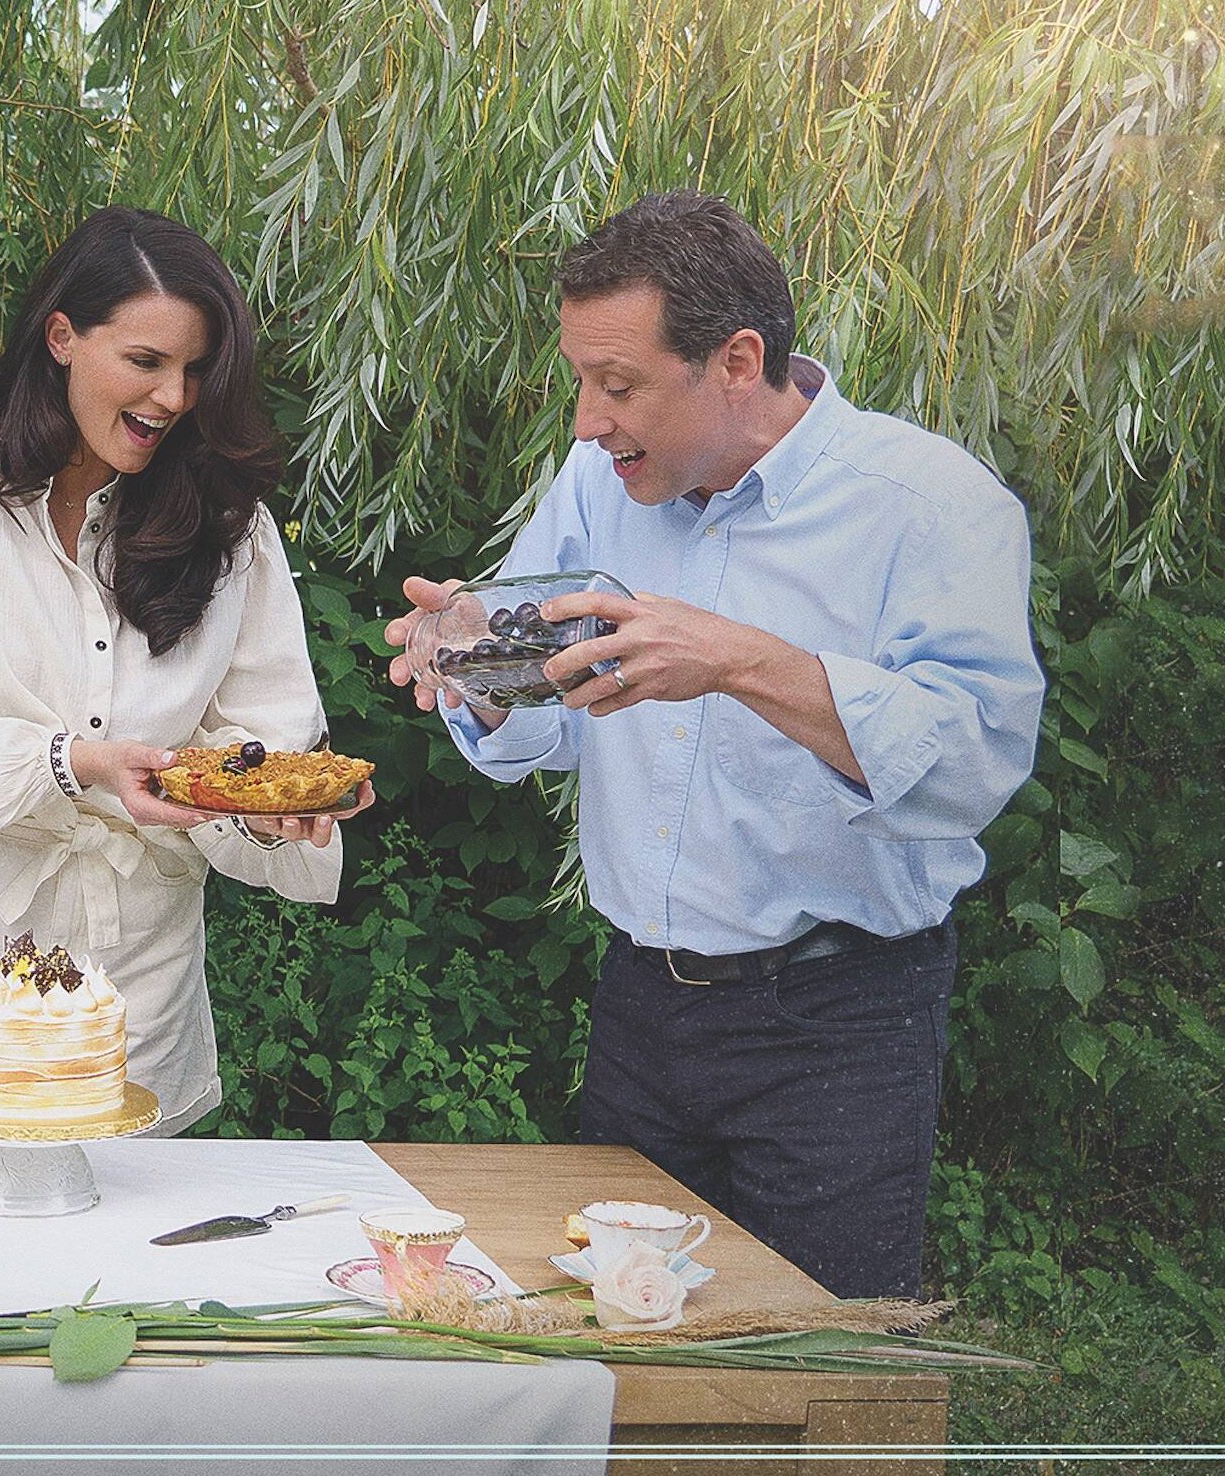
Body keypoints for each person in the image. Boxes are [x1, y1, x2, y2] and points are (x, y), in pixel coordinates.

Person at [384, 191, 1044, 1298]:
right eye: (580, 383)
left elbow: (972, 760)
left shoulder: (930, 506)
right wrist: (469, 669)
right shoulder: (601, 480)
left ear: (736, 360)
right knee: (619, 1349)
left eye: (620, 385)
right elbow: (545, 708)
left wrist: (735, 660)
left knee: (816, 1360)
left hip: (838, 1018)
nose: (588, 422)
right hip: (641, 1007)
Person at [0, 206, 365, 1136]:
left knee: (114, 1271)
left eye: (195, 370)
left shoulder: (233, 527)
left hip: (130, 968)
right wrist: (76, 764)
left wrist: (279, 806)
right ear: (62, 337)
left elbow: (264, 739)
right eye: (146, 362)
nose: (174, 398)